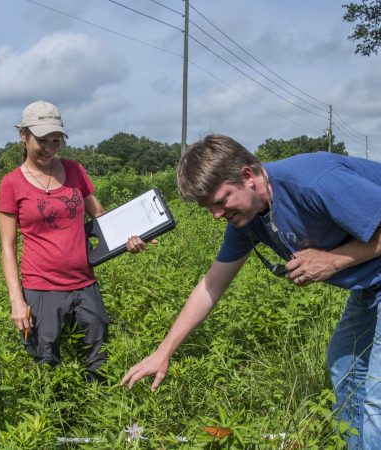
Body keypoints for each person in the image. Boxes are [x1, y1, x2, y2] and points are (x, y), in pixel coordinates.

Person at [120, 134, 381, 448]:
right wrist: (162, 353)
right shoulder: (248, 218)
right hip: (371, 284)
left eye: (221, 201)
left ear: (248, 176)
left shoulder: (314, 181)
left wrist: (333, 260)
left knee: (376, 395)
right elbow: (210, 287)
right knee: (345, 365)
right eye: (209, 208)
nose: (217, 215)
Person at [0, 100, 146, 381]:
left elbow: (100, 216)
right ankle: (54, 419)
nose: (50, 149)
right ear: (23, 136)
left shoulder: (75, 170)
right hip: (41, 288)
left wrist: (130, 238)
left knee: (99, 359)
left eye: (56, 141)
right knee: (45, 362)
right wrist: (17, 301)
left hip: (84, 284)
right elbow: (8, 246)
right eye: (42, 140)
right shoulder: (11, 184)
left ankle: (99, 415)